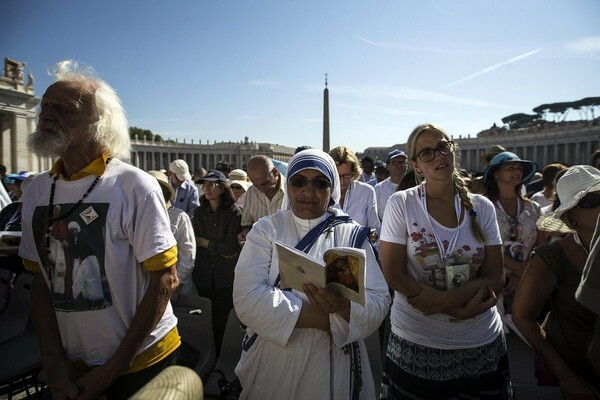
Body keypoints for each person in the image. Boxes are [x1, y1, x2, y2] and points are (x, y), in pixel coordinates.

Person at [19, 60, 180, 399]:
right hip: (73, 364)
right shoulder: (35, 191)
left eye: (64, 108)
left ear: (98, 123)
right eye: (45, 105)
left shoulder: (135, 186)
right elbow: (41, 284)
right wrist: (53, 363)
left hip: (143, 361)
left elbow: (165, 279)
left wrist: (113, 368)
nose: (46, 114)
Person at [233, 149, 390, 399]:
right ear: (289, 184)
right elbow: (246, 298)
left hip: (335, 363)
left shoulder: (351, 235)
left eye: (320, 183)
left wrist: (344, 307)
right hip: (274, 361)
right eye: (299, 181)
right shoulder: (266, 230)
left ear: (332, 189)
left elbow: (379, 300)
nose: (308, 191)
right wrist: (326, 320)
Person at [380, 123, 511, 400]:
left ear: (453, 150)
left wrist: (443, 303)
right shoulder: (400, 203)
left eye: (442, 147)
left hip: (480, 338)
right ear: (415, 164)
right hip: (419, 339)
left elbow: (495, 277)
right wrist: (458, 306)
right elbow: (393, 274)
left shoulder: (482, 207)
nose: (438, 156)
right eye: (426, 153)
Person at [513, 165, 600, 399]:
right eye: (591, 200)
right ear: (571, 216)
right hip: (578, 377)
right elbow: (522, 316)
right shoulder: (552, 257)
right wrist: (564, 374)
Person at [192, 170, 242, 352]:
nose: (207, 188)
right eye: (204, 185)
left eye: (211, 185)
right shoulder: (198, 212)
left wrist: (206, 243)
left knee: (223, 319)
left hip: (224, 275)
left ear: (222, 188)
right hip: (203, 274)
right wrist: (213, 246)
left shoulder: (234, 213)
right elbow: (194, 242)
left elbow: (230, 248)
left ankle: (221, 355)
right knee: (206, 318)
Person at [483, 151, 544, 297]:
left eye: (519, 169)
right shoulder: (483, 206)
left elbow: (541, 243)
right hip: (492, 278)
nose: (517, 172)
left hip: (527, 277)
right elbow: (481, 244)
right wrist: (514, 266)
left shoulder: (534, 207)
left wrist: (521, 274)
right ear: (496, 174)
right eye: (510, 168)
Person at [148, 170, 196, 299]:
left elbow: (188, 255)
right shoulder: (144, 216)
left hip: (176, 287)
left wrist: (175, 283)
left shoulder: (179, 217)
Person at [328, 146, 380, 243]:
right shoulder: (321, 194)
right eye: (338, 176)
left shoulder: (367, 192)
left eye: (347, 175)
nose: (342, 181)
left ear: (354, 172)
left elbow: (375, 229)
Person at [237, 155, 288, 246]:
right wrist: (244, 233)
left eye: (265, 184)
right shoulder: (251, 192)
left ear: (275, 172)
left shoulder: (291, 190)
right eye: (256, 185)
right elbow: (247, 223)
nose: (261, 189)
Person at [375, 149, 408, 221]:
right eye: (395, 162)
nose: (399, 165)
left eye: (402, 162)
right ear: (387, 166)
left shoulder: (414, 185)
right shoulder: (379, 188)